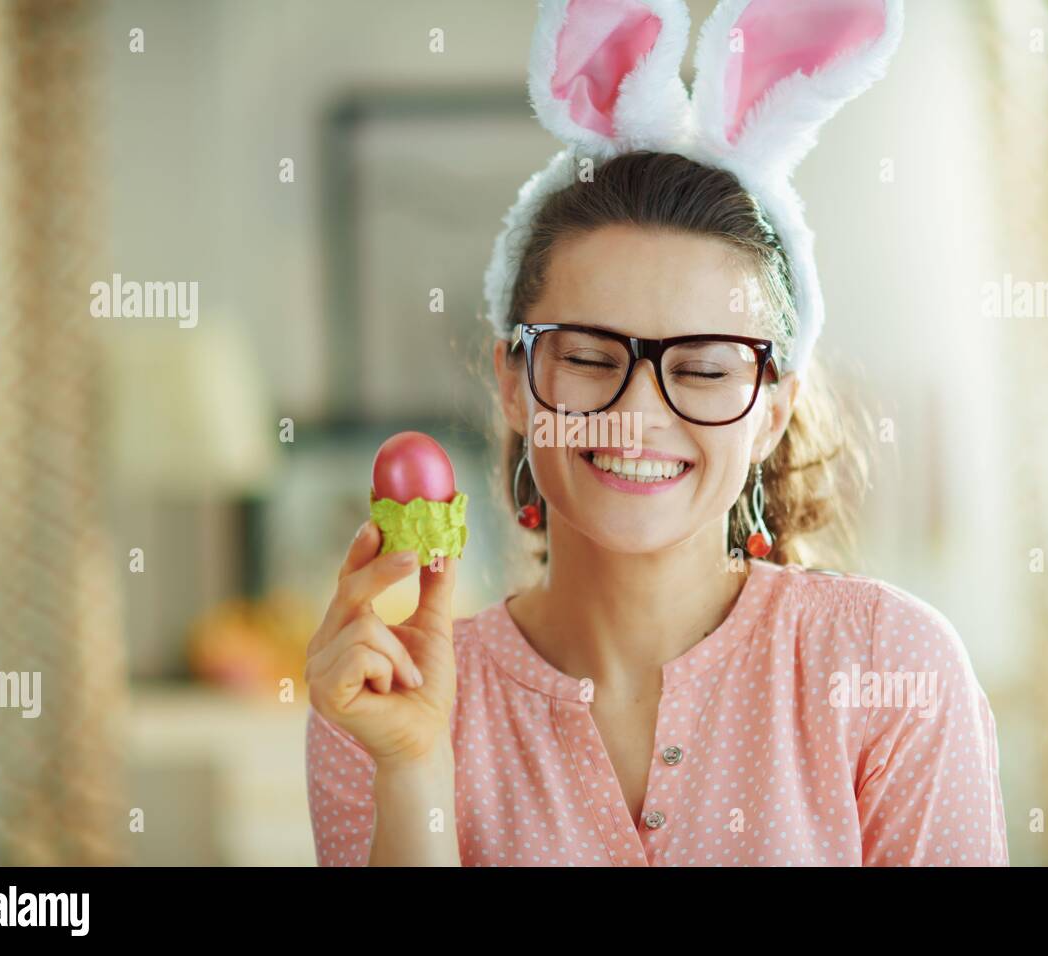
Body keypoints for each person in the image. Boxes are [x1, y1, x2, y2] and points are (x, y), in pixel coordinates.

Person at [305, 0, 1008, 866]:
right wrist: (413, 769)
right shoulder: (379, 700)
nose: (639, 413)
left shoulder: (889, 667)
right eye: (593, 357)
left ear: (771, 412)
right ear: (515, 385)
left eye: (706, 369)